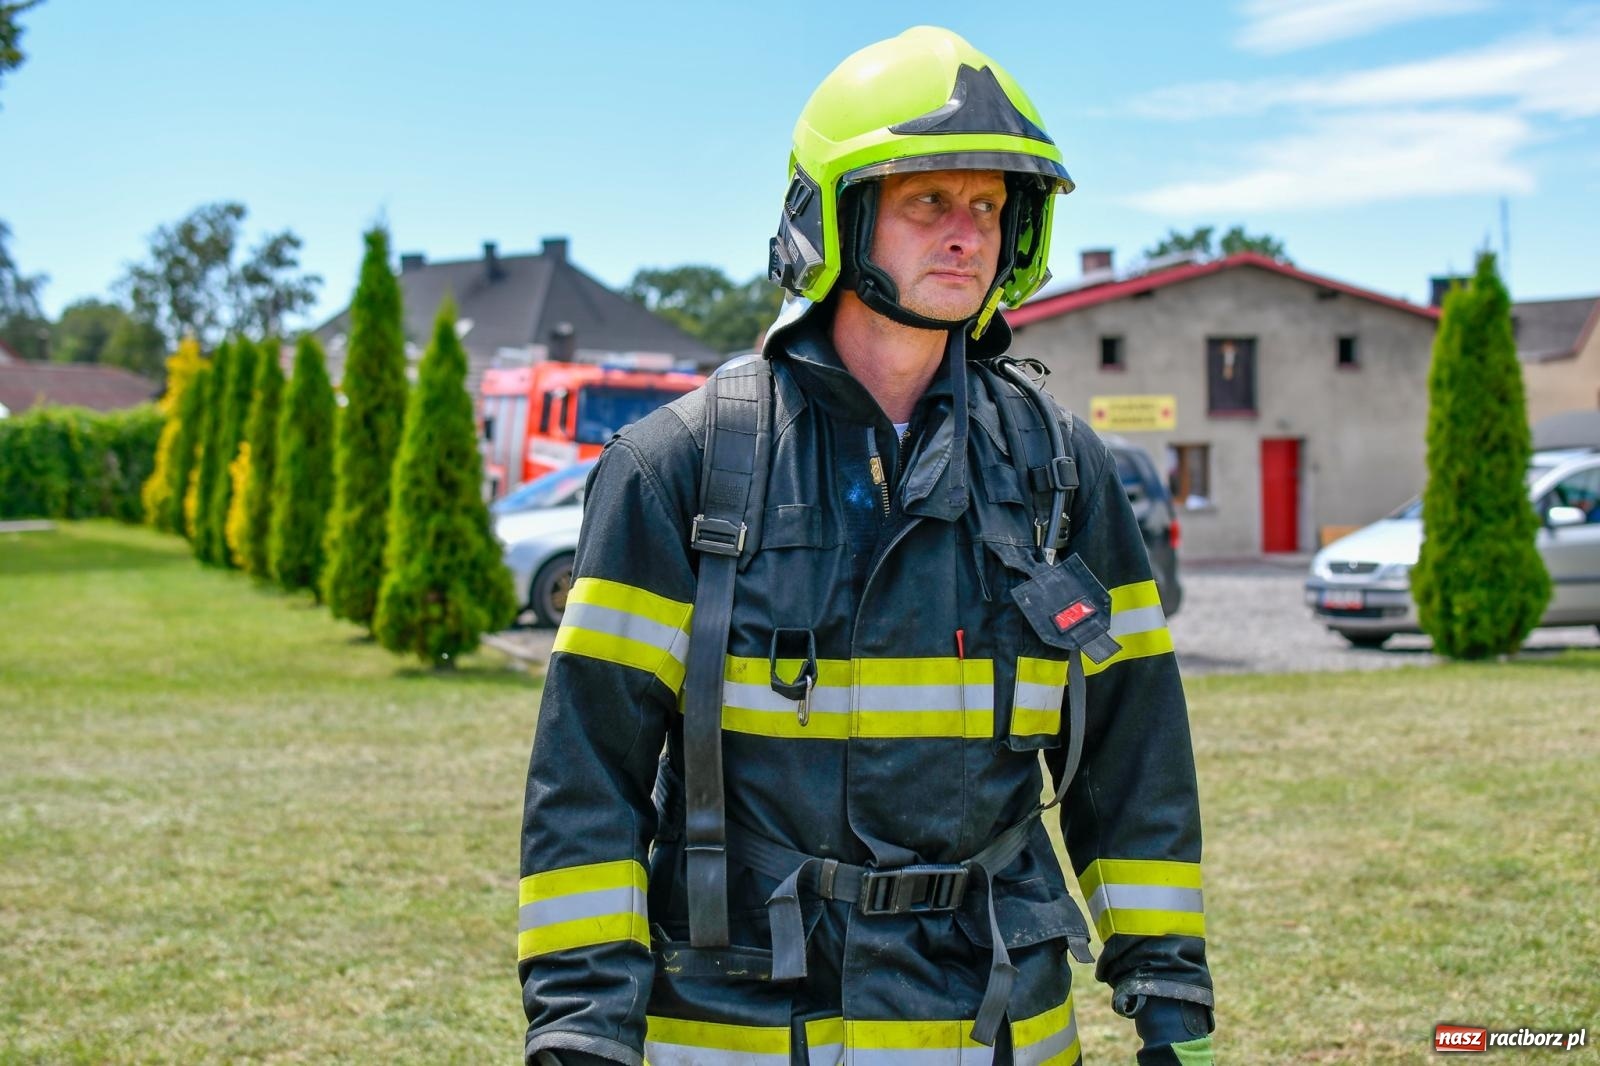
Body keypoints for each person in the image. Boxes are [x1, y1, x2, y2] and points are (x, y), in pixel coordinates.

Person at [519, 26, 1214, 1066]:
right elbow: (589, 785)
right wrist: (580, 1030)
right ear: (833, 216)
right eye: (928, 200)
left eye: (988, 205)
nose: (966, 234)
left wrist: (1169, 1000)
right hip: (741, 1028)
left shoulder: (1061, 472)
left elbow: (1134, 756)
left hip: (1000, 1028)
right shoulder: (680, 467)